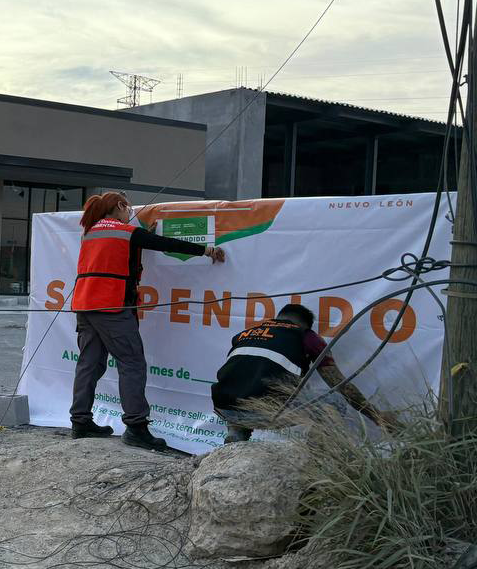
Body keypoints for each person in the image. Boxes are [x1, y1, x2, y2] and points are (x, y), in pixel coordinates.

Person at [70, 192, 226, 450]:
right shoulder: (126, 232)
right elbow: (166, 243)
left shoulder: (90, 231)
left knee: (89, 364)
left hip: (85, 306)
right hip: (112, 307)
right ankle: (136, 427)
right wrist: (206, 250)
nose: (129, 213)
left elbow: (118, 252)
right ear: (120, 205)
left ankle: (80, 422)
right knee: (132, 364)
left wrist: (142, 236)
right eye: (127, 208)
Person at [211, 302, 393, 442]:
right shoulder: (308, 337)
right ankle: (316, 459)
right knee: (335, 402)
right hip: (265, 413)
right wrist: (377, 417)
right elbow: (341, 385)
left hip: (224, 407)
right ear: (306, 325)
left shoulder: (247, 333)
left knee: (244, 387)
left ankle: (236, 432)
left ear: (279, 318)